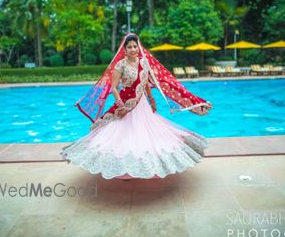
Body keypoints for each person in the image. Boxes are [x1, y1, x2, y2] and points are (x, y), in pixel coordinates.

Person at [61, 33, 213, 179]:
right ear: (124, 50)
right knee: (122, 136)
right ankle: (123, 169)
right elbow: (114, 88)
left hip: (142, 105)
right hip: (126, 104)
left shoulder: (143, 62)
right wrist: (120, 103)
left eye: (135, 46)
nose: (133, 49)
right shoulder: (120, 66)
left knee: (146, 134)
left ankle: (147, 167)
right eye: (130, 47)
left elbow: (145, 82)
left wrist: (152, 99)